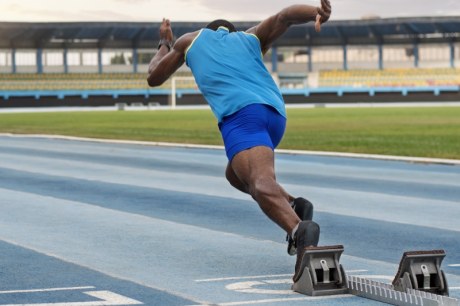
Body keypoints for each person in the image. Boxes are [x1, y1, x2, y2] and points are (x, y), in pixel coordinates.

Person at [147, 1, 332, 281]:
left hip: (241, 116)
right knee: (234, 174)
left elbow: (153, 76)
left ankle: (299, 230)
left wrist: (164, 42)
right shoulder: (249, 38)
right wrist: (317, 13)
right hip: (274, 115)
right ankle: (294, 205)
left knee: (259, 183)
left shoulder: (190, 40)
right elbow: (284, 17)